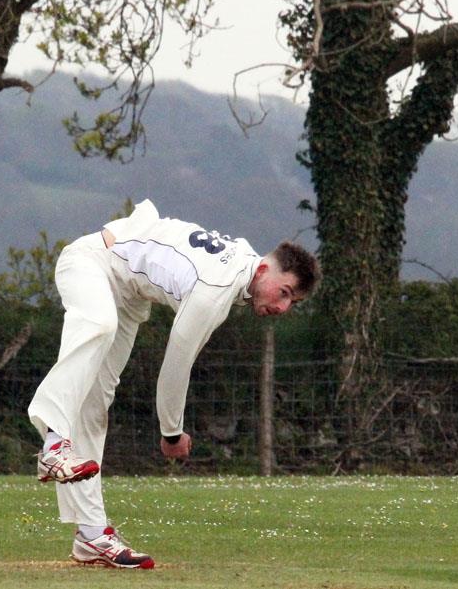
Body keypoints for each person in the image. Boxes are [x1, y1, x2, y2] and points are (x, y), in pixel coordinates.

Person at [27, 199, 320, 569]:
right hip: (91, 262)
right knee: (98, 326)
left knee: (94, 406)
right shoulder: (217, 287)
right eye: (285, 292)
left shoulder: (243, 265)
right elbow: (176, 365)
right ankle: (54, 441)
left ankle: (91, 536)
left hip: (127, 293)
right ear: (264, 270)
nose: (283, 307)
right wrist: (171, 433)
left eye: (293, 301)